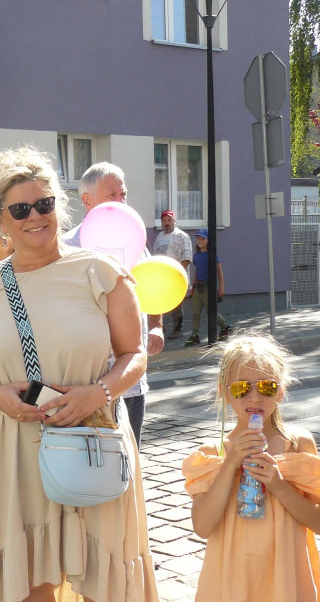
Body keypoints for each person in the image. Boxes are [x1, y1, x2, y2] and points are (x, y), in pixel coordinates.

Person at [0, 146, 160, 602]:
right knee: (33, 574)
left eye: (44, 203)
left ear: (61, 207)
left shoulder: (101, 272)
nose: (35, 216)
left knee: (104, 573)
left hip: (92, 438)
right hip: (14, 442)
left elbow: (133, 352)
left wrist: (101, 390)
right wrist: (2, 398)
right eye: (20, 210)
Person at [182, 335, 320, 602]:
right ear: (225, 392)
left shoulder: (297, 445)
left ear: (281, 392)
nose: (254, 398)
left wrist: (280, 485)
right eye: (241, 388)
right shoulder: (213, 454)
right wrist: (229, 467)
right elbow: (203, 525)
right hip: (231, 583)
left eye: (266, 387)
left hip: (285, 582)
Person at [63, 162, 164, 447]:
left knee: (130, 460)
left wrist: (156, 326)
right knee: (92, 466)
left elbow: (152, 286)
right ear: (87, 200)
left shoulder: (135, 239)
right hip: (85, 381)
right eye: (112, 195)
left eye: (124, 194)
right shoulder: (68, 246)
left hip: (130, 379)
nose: (121, 202)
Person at [184, 228, 231, 346]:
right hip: (198, 288)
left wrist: (221, 287)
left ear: (208, 240)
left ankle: (225, 327)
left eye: (202, 238)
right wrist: (192, 287)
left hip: (208, 288)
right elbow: (196, 272)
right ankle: (195, 335)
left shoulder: (212, 255)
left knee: (211, 311)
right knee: (195, 313)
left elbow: (219, 272)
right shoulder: (196, 256)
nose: (199, 241)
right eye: (198, 238)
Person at [152, 210, 192, 338]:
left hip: (175, 276)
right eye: (164, 221)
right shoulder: (159, 237)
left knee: (176, 304)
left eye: (169, 220)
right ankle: (159, 328)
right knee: (159, 302)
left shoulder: (181, 236)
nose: (166, 223)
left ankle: (177, 329)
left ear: (174, 221)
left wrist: (178, 273)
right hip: (161, 277)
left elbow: (186, 257)